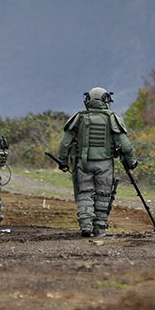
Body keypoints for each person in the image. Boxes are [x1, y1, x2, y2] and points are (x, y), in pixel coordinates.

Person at [54, 87, 138, 237]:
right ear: (105, 100)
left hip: (83, 163)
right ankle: (100, 230)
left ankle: (85, 226)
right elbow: (125, 145)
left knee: (84, 193)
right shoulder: (112, 118)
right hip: (105, 164)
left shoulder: (79, 117)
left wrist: (63, 162)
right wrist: (132, 162)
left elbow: (64, 143)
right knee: (103, 195)